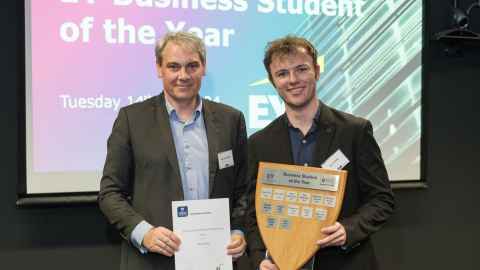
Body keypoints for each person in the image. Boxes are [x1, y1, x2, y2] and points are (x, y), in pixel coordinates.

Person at [98, 31, 248, 270]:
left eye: (192, 66)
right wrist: (143, 232)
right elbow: (110, 193)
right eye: (173, 66)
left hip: (216, 260)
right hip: (152, 261)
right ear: (159, 69)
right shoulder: (132, 119)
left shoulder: (231, 120)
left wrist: (238, 231)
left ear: (203, 67)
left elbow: (242, 190)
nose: (183, 75)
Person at [245, 36, 395, 270]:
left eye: (301, 69)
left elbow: (381, 199)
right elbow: (252, 213)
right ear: (272, 81)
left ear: (316, 70)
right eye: (282, 73)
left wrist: (348, 230)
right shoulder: (259, 143)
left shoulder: (354, 131)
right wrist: (259, 259)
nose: (293, 80)